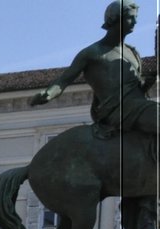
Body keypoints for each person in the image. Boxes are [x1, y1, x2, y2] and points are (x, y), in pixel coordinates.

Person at [33, 1, 157, 140]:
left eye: (136, 17)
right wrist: (48, 94)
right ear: (115, 18)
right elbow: (64, 80)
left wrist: (145, 85)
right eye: (130, 17)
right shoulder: (91, 53)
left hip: (139, 106)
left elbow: (132, 87)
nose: (134, 21)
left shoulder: (133, 52)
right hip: (117, 110)